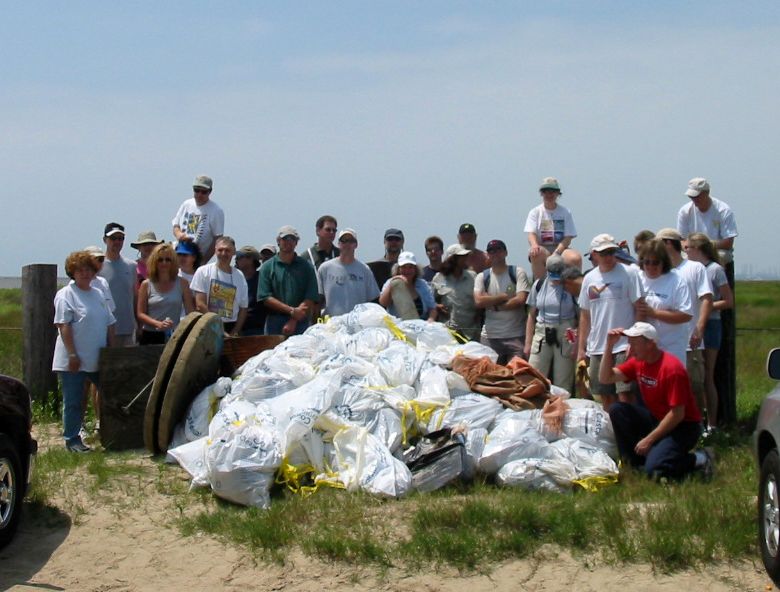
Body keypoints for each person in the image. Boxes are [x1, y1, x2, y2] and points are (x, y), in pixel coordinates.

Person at [599, 322, 713, 481]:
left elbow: (677, 414)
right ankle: (633, 464)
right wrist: (609, 346)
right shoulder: (638, 362)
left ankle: (700, 458)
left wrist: (649, 439)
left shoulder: (672, 369)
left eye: (635, 342)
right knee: (617, 409)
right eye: (629, 341)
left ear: (651, 344)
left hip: (683, 427)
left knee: (655, 469)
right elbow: (606, 378)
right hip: (657, 418)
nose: (630, 346)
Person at [53, 251, 116, 452]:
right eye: (80, 270)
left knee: (110, 396)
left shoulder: (98, 294)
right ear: (72, 272)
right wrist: (72, 354)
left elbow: (109, 323)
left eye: (89, 269)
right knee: (73, 401)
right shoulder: (66, 294)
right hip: (73, 359)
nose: (85, 273)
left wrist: (112, 352)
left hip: (98, 358)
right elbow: (64, 325)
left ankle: (113, 433)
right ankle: (72, 439)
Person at [577, 234, 644, 410]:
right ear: (594, 254)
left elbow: (639, 307)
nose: (608, 257)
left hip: (624, 344)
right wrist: (581, 348)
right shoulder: (589, 278)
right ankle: (613, 431)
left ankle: (630, 433)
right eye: (604, 253)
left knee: (626, 393)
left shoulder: (629, 273)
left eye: (611, 252)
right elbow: (585, 314)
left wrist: (635, 339)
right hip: (598, 345)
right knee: (604, 394)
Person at [656, 228, 713, 419]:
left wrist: (700, 328)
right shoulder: (659, 271)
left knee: (694, 385)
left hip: (690, 339)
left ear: (668, 244)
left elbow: (706, 298)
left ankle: (698, 424)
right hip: (663, 342)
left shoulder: (694, 268)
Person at [684, 232, 734, 430]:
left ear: (698, 249)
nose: (685, 251)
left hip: (711, 324)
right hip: (692, 324)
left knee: (707, 375)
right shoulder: (689, 269)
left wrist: (706, 305)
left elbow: (728, 301)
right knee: (694, 374)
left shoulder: (714, 270)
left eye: (688, 247)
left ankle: (712, 423)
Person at [636, 239, 693, 366]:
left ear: (664, 262)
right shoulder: (637, 278)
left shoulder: (676, 280)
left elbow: (686, 314)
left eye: (655, 263)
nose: (651, 267)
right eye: (647, 262)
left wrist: (654, 313)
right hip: (646, 348)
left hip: (671, 347)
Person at [473, 239, 531, 364]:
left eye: (498, 250)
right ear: (488, 255)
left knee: (516, 375)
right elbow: (478, 301)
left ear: (505, 252)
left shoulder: (517, 272)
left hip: (515, 335)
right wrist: (502, 297)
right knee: (490, 376)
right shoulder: (482, 277)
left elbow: (520, 300)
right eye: (491, 251)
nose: (495, 253)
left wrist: (494, 305)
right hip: (490, 336)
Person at [524, 254, 577, 389]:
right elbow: (531, 315)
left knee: (563, 378)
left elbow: (581, 314)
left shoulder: (571, 286)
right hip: (542, 330)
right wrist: (528, 343)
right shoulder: (539, 284)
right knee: (535, 375)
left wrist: (578, 340)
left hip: (566, 331)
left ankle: (562, 404)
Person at [258, 226, 319, 336]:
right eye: (285, 239)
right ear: (278, 241)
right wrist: (291, 311)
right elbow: (265, 297)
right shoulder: (267, 267)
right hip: (274, 321)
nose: (288, 242)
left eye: (292, 239)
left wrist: (294, 319)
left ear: (296, 243)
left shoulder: (307, 267)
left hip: (300, 321)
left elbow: (311, 297)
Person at [136, 243, 195, 344]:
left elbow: (190, 312)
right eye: (160, 260)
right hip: (150, 335)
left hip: (174, 335)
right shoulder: (146, 284)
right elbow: (140, 313)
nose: (164, 263)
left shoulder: (182, 283)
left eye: (168, 259)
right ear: (154, 262)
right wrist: (158, 324)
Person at [190, 236, 248, 337]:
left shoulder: (239, 275)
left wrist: (235, 332)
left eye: (227, 250)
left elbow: (243, 308)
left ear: (234, 252)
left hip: (231, 326)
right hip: (208, 323)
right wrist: (219, 329)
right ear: (215, 250)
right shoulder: (203, 271)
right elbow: (200, 304)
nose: (223, 253)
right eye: (220, 250)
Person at [317, 228, 380, 317]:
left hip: (357, 323)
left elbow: (374, 300)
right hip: (331, 324)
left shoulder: (365, 270)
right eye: (344, 241)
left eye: (351, 241)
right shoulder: (325, 268)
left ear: (356, 245)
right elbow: (318, 299)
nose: (347, 244)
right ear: (338, 244)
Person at [524, 177, 578, 280]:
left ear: (558, 194)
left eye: (552, 192)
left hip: (561, 248)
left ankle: (574, 290)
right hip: (543, 248)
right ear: (541, 193)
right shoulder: (535, 212)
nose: (549, 195)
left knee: (575, 258)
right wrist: (534, 245)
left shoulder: (565, 212)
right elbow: (531, 233)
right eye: (546, 192)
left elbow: (568, 237)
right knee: (536, 253)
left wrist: (557, 252)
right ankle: (540, 287)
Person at [676, 177, 738, 266]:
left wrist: (705, 246)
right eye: (692, 196)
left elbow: (728, 242)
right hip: (692, 249)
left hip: (716, 250)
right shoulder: (685, 211)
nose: (694, 199)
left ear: (707, 193)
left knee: (722, 256)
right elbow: (681, 240)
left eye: (697, 196)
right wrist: (693, 248)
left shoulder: (723, 210)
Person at [98, 222, 137, 346]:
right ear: (105, 240)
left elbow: (135, 297)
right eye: (113, 238)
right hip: (104, 329)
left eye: (120, 238)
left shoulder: (131, 266)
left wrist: (139, 325)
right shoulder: (97, 266)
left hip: (127, 329)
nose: (117, 242)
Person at [432, 244, 481, 341]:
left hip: (470, 334)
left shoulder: (473, 277)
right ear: (452, 259)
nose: (465, 259)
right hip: (447, 334)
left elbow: (480, 305)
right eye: (461, 257)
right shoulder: (439, 278)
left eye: (465, 256)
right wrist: (436, 306)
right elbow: (430, 302)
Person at [172, 174, 225, 263]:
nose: (199, 194)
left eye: (203, 192)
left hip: (197, 257)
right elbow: (175, 225)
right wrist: (179, 235)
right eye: (196, 190)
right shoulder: (186, 204)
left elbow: (217, 239)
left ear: (210, 192)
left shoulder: (216, 211)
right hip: (179, 252)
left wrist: (203, 261)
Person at [379, 252, 436, 321]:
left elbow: (432, 308)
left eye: (410, 267)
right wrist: (392, 285)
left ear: (415, 269)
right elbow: (383, 303)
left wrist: (430, 320)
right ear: (398, 269)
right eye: (404, 267)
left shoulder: (422, 284)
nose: (407, 270)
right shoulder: (390, 282)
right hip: (398, 324)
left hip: (421, 324)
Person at [235, 246, 267, 336]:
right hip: (234, 328)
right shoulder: (233, 279)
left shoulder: (263, 279)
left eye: (241, 256)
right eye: (237, 257)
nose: (238, 259)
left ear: (252, 259)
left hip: (257, 330)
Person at [83, 246, 115, 312]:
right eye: (95, 259)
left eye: (101, 259)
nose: (99, 262)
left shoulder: (103, 282)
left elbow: (111, 309)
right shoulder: (75, 283)